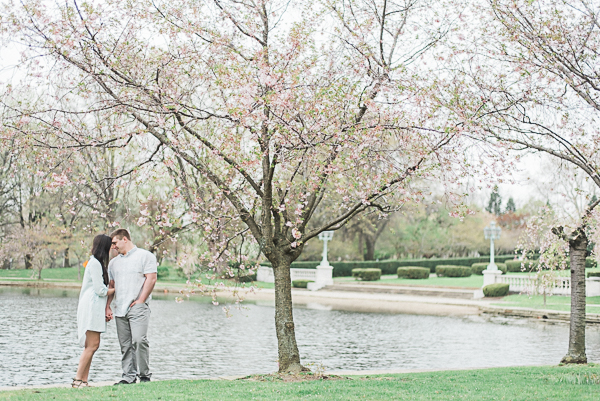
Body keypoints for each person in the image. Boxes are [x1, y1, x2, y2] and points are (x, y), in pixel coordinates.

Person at [106, 228, 158, 384]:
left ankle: (144, 375)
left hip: (137, 306)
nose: (113, 246)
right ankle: (128, 377)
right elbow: (112, 284)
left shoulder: (145, 256)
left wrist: (141, 300)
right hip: (119, 308)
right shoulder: (113, 263)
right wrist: (108, 306)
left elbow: (151, 279)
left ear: (125, 239)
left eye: (115, 243)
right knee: (125, 345)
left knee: (139, 340)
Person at [73, 234, 115, 388]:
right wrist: (115, 289)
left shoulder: (96, 263)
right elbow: (100, 290)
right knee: (93, 345)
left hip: (94, 306)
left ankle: (83, 380)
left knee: (91, 345)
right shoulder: (95, 264)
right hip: (92, 306)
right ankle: (78, 379)